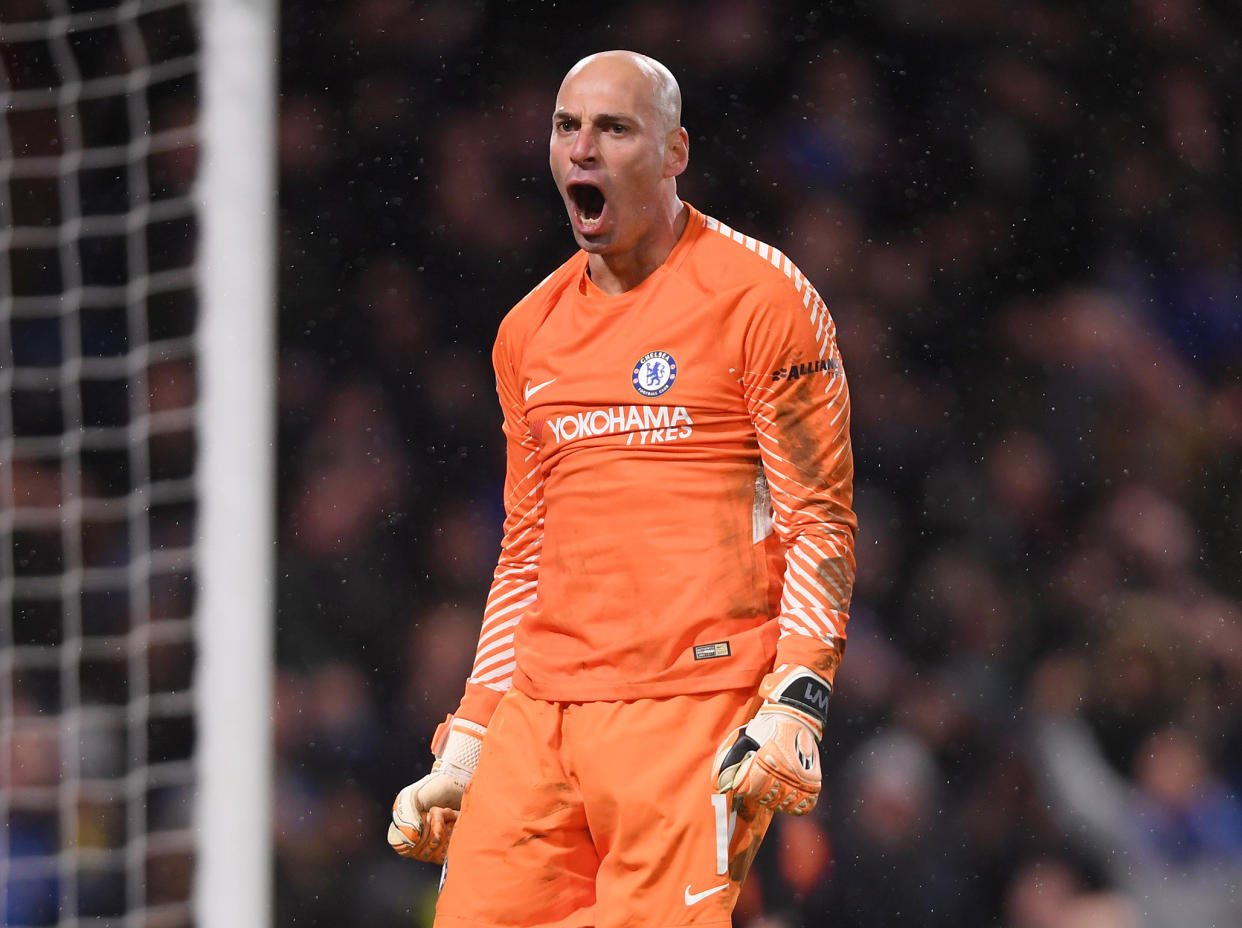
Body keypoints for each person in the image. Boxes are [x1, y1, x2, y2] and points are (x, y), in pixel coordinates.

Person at [388, 49, 857, 927]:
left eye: (613, 127)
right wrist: (474, 732)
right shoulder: (527, 331)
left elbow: (818, 519)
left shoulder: (763, 299)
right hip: (542, 712)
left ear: (676, 151)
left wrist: (799, 694)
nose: (583, 149)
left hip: (693, 711)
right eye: (567, 126)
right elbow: (526, 548)